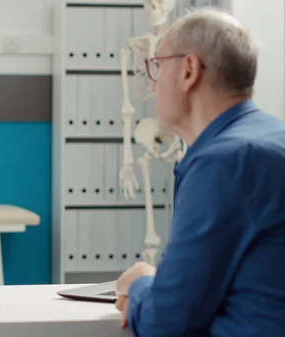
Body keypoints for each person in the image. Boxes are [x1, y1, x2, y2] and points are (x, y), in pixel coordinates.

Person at [114, 8, 285, 336]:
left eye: (157, 66)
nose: (152, 86)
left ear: (188, 70)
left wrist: (140, 282)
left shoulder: (222, 164)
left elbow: (163, 323)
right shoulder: (267, 140)